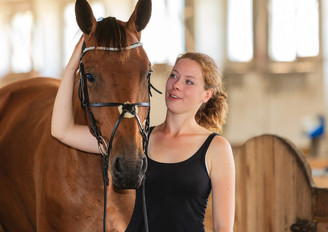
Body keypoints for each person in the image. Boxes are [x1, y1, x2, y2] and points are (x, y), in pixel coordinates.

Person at [51, 36, 235, 232]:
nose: (176, 85)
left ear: (207, 95)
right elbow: (62, 131)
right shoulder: (139, 140)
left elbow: (222, 227)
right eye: (174, 76)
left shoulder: (216, 148)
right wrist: (72, 67)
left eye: (189, 82)